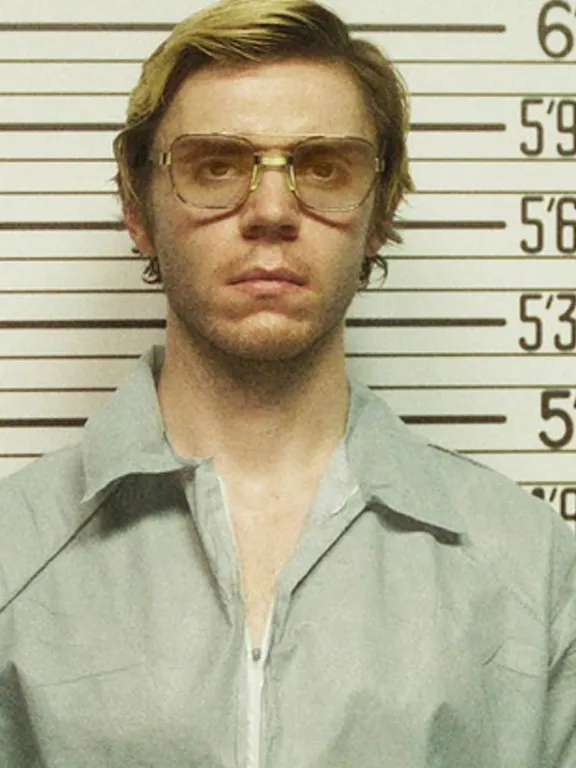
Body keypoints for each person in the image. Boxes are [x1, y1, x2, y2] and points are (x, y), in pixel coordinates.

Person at [1, 0, 575, 765]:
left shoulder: (530, 566)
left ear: (380, 211)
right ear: (137, 209)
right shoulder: (13, 554)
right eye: (215, 165)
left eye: (324, 167)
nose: (271, 211)